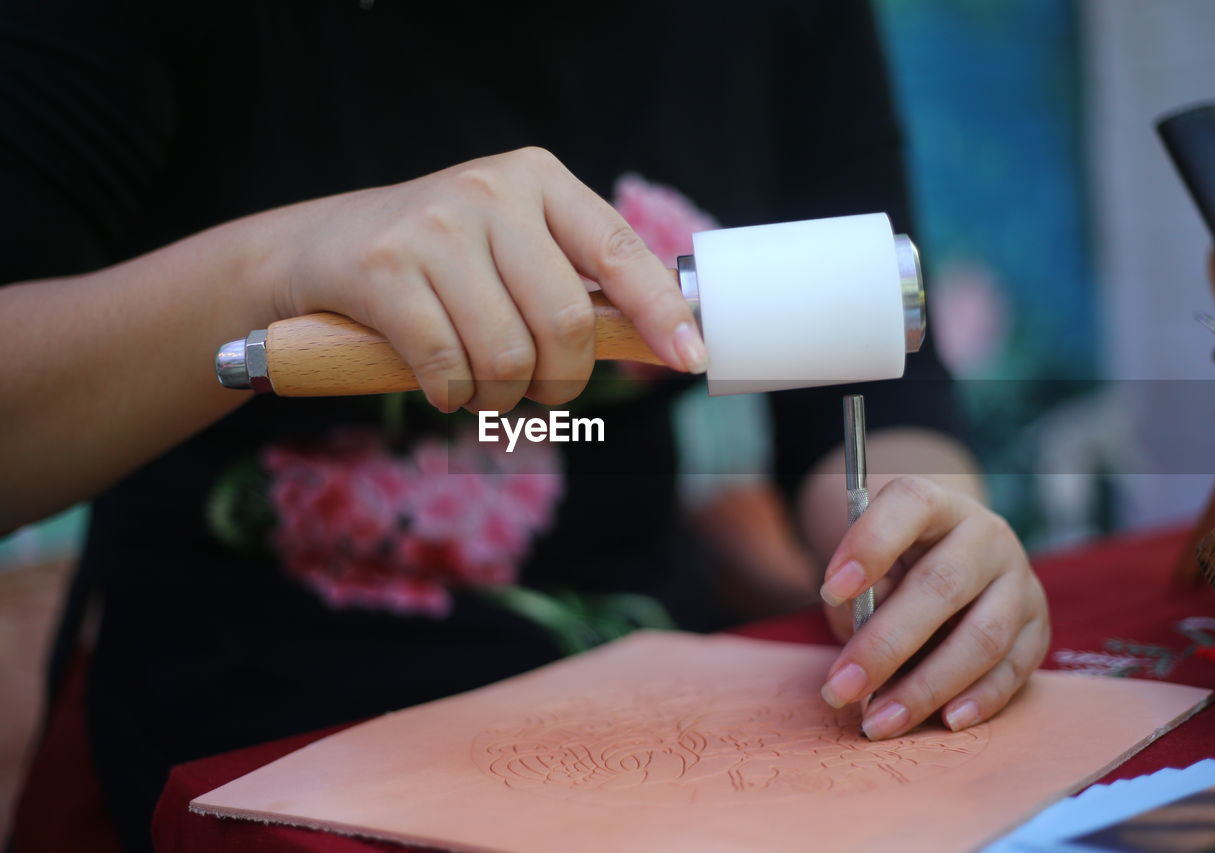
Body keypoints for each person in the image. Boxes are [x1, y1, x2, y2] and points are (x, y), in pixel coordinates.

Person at [0, 1, 1048, 849]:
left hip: (648, 718)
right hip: (246, 731)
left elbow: (869, 379)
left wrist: (927, 541)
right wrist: (280, 262)